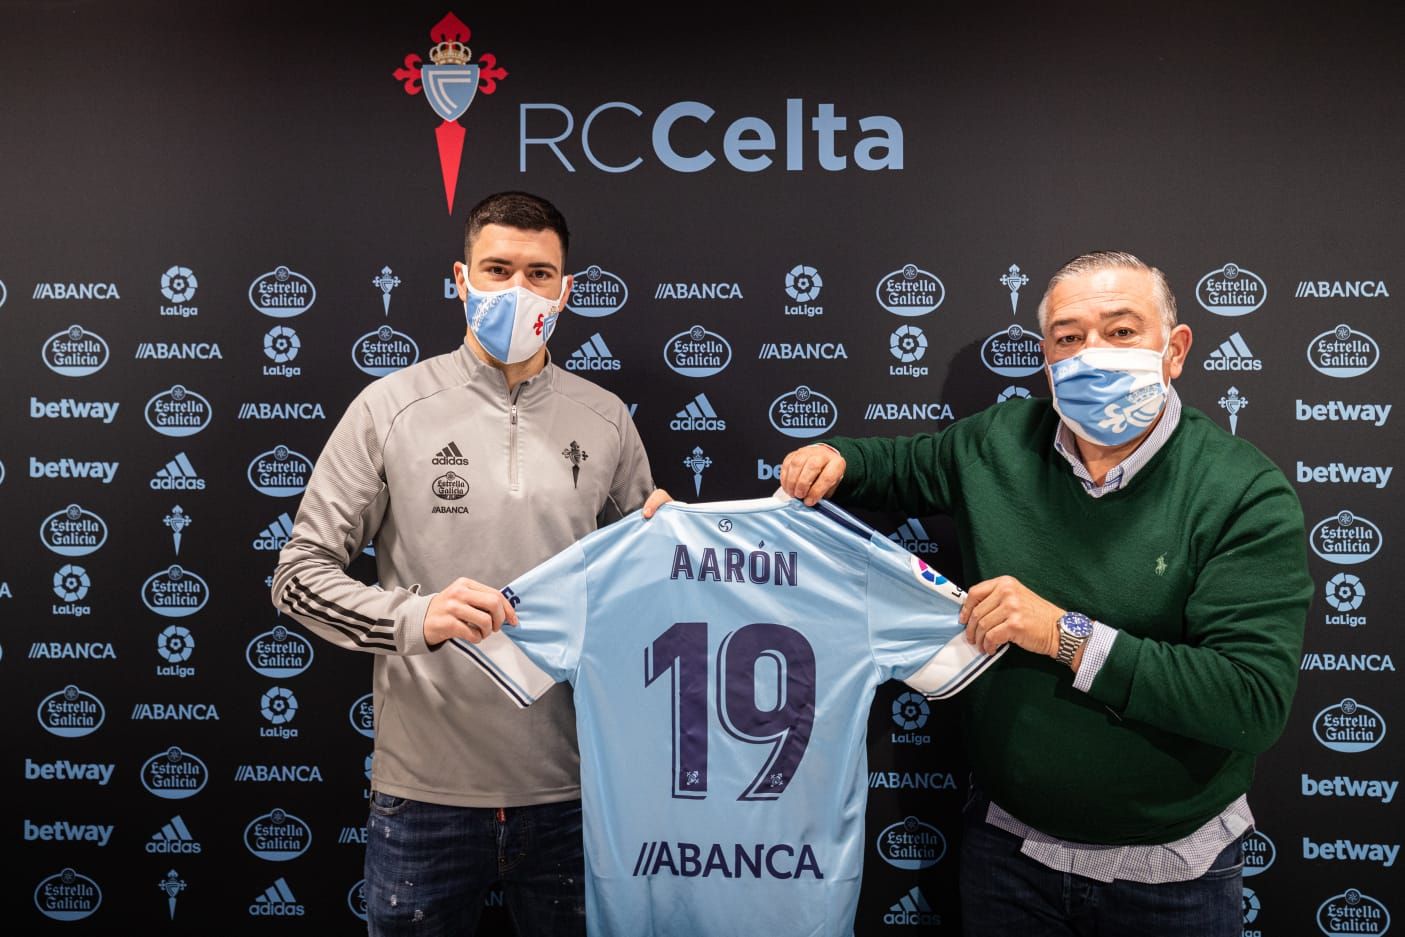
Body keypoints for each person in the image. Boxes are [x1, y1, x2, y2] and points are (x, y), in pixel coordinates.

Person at [778, 250, 1311, 937]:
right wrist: (838, 459)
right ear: (1046, 356)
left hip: (1169, 872)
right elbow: (900, 465)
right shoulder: (998, 442)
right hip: (1008, 852)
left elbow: (1248, 699)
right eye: (1069, 336)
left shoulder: (1241, 491)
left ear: (1173, 350)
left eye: (1120, 332)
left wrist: (1064, 634)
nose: (1092, 352)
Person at [272, 190, 668, 936]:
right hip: (423, 795)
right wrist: (413, 616)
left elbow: (646, 595)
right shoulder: (389, 407)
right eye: (497, 269)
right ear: (461, 278)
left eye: (538, 274)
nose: (517, 291)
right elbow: (297, 578)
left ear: (566, 289)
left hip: (575, 792)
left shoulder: (606, 418)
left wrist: (666, 546)